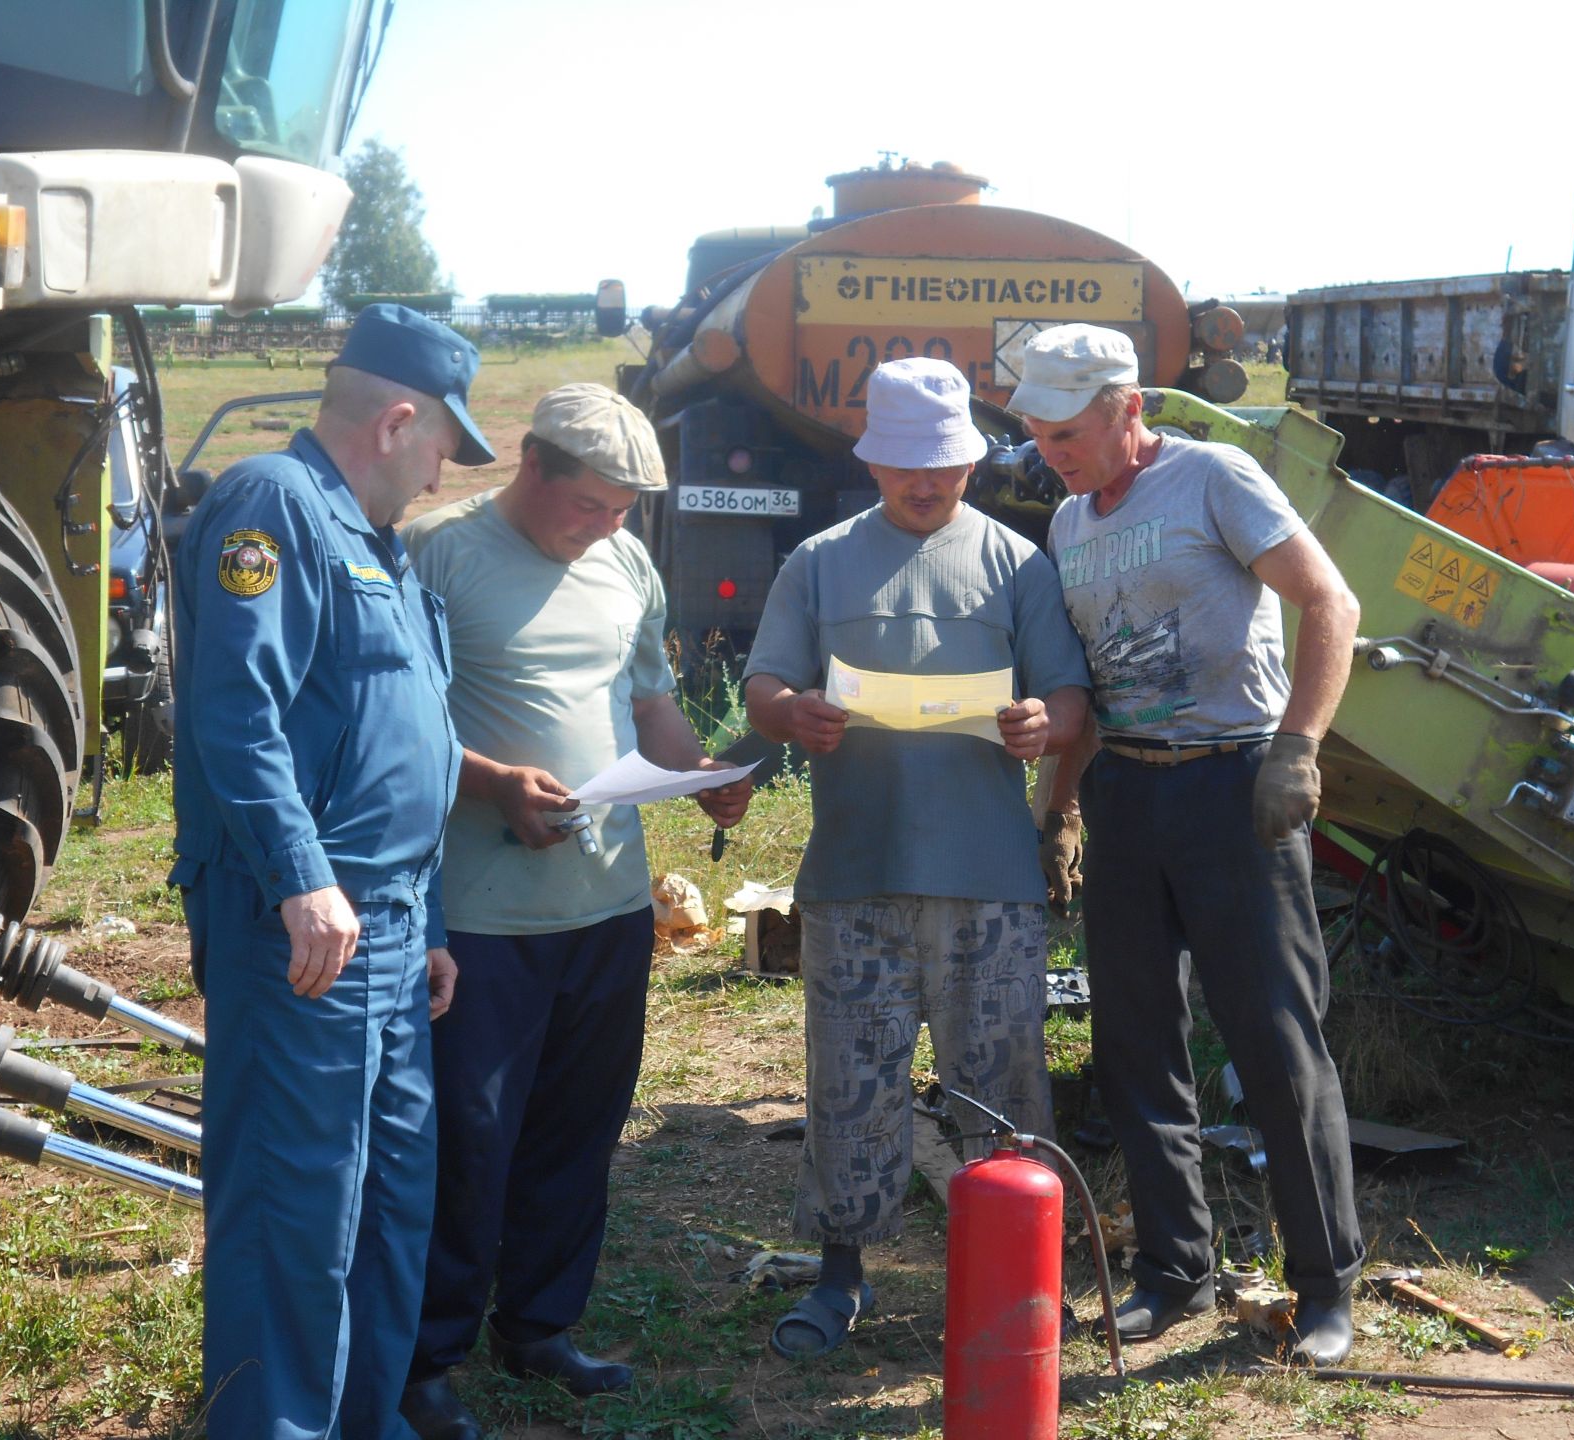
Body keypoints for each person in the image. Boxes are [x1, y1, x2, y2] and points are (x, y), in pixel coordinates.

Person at [396, 384, 752, 1440]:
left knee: (578, 1126)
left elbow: (646, 702)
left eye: (625, 511)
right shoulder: (437, 554)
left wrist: (704, 772)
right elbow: (394, 721)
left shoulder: (625, 563)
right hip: (480, 913)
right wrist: (497, 783)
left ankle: (541, 1326)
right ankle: (427, 1357)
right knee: (469, 1137)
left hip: (603, 907)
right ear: (532, 467)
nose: (608, 528)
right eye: (592, 505)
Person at [168, 304, 496, 1438]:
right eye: (444, 443)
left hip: (395, 933)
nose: (442, 468)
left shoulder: (379, 546)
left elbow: (411, 745)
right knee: (295, 1211)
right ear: (399, 419)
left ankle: (363, 1422)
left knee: (391, 1204)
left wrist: (435, 918)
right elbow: (235, 708)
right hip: (306, 927)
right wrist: (303, 876)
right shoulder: (275, 506)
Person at [1011, 323, 1364, 1365]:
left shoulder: (1215, 477)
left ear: (1129, 408)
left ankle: (1325, 1287)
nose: (1051, 454)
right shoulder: (1071, 522)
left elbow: (1328, 601)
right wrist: (1059, 806)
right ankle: (1176, 1271)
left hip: (1231, 790)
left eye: (1068, 432)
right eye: (1036, 435)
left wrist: (1297, 749)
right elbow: (1084, 687)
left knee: (1274, 1042)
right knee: (1132, 1040)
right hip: (1127, 790)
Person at [742, 356, 1091, 1360]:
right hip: (856, 873)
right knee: (851, 1080)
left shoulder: (1019, 565)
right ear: (871, 462)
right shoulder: (819, 562)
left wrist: (1040, 722)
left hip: (988, 880)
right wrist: (788, 712)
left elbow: (1068, 700)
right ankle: (842, 1279)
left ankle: (1026, 1282)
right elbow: (767, 681)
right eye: (906, 466)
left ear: (973, 461)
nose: (927, 483)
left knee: (1005, 1086)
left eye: (944, 465)